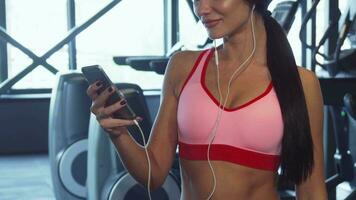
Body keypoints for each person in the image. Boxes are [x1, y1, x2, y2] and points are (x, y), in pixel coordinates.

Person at [86, 0, 328, 199]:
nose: (201, 9)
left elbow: (310, 191)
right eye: (195, 0)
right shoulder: (182, 67)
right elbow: (154, 173)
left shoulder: (301, 84)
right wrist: (117, 134)